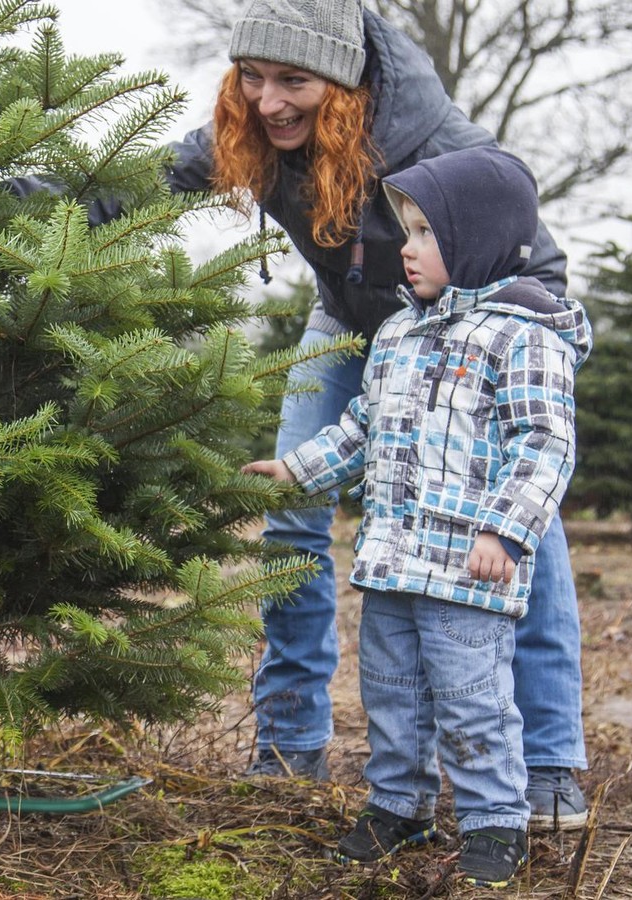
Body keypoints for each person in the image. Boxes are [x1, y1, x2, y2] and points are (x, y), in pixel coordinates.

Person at [150, 0, 592, 827]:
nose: (268, 101)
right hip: (351, 326)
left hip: (468, 330)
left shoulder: (446, 148)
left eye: (293, 80)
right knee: (290, 512)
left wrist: (497, 364)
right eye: (252, 77)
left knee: (524, 530)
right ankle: (289, 743)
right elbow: (129, 183)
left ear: (345, 83)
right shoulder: (253, 130)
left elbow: (540, 265)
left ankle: (550, 762)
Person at [242, 145, 591, 886]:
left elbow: (545, 445)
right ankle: (399, 806)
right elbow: (361, 427)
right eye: (407, 231)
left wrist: (504, 531)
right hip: (392, 561)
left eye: (427, 233)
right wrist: (298, 470)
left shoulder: (524, 339)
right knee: (391, 693)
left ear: (477, 239)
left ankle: (496, 819)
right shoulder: (400, 334)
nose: (407, 248)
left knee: (472, 699)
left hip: (467, 569)